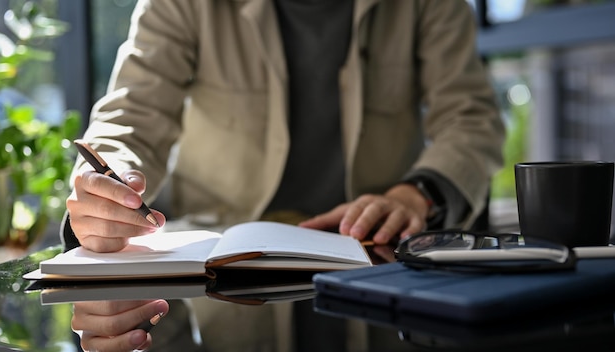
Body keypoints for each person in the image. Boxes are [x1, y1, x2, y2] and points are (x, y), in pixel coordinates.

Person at [65, 0, 505, 351]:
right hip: (222, 278)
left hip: (377, 259)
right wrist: (105, 185)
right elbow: (131, 116)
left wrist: (417, 194)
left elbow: (471, 120)